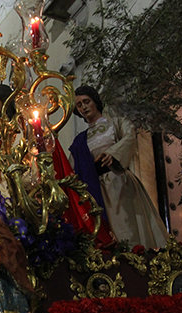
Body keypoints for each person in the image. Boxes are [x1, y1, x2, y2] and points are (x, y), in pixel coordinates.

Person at [0, 84, 107, 244]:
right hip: (13, 209)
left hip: (36, 202)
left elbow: (40, 166)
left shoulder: (28, 130)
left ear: (6, 102)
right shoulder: (3, 144)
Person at [69, 85, 168, 249]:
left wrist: (113, 154)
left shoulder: (116, 123)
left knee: (126, 225)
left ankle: (135, 255)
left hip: (118, 182)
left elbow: (129, 137)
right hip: (94, 188)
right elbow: (72, 166)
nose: (84, 107)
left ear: (95, 102)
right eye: (79, 105)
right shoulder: (80, 141)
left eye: (86, 102)